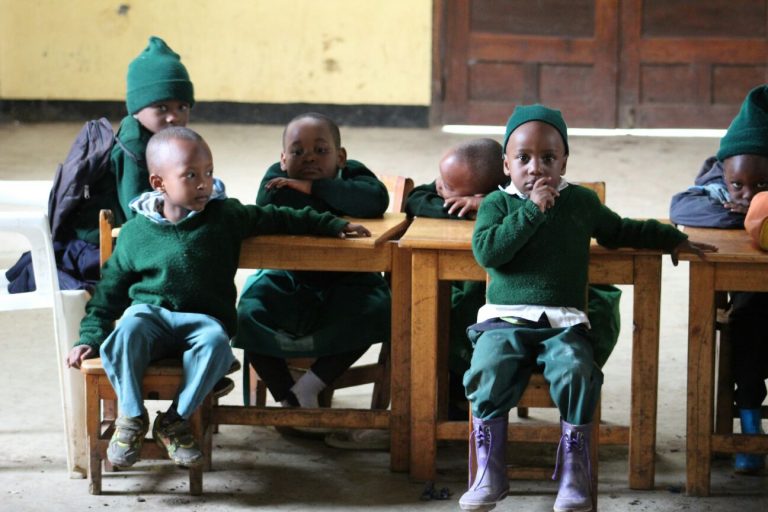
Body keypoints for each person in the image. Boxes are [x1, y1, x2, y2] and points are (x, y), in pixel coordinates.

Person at [461, 104, 716, 512]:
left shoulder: (580, 202)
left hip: (563, 323)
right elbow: (490, 253)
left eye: (548, 158)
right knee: (487, 370)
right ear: (506, 165)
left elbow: (620, 230)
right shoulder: (498, 204)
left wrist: (670, 238)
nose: (536, 168)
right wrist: (531, 211)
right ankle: (490, 473)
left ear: (564, 161)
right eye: (523, 158)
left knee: (578, 371)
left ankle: (573, 475)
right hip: (504, 322)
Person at [65, 126, 369, 469]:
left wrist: (332, 225)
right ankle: (132, 417)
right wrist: (90, 336)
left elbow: (279, 217)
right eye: (190, 175)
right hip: (151, 318)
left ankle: (175, 419)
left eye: (208, 173)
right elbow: (109, 295)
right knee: (127, 329)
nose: (203, 183)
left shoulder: (225, 216)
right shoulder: (136, 232)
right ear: (158, 183)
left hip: (202, 322)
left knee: (217, 344)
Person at [5, 35, 194, 294]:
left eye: (182, 107)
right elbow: (138, 210)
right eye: (162, 107)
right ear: (137, 109)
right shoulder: (135, 147)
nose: (174, 117)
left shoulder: (158, 138)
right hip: (96, 244)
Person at [234, 112, 391, 411]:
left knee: (379, 310)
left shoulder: (355, 173)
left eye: (321, 151)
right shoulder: (274, 179)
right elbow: (270, 205)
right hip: (287, 277)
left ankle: (310, 386)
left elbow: (374, 201)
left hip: (349, 279)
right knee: (247, 315)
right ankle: (288, 396)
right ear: (283, 159)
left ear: (341, 157)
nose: (308, 159)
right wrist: (334, 203)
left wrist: (312, 188)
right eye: (297, 152)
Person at [670, 84, 768, 475]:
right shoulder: (724, 168)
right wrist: (753, 214)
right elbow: (682, 206)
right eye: (738, 186)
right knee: (748, 321)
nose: (745, 192)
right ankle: (748, 427)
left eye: (760, 184)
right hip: (754, 300)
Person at [405, 138, 507, 419]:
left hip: (496, 293)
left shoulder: (514, 206)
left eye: (448, 187)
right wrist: (458, 210)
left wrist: (487, 208)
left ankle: (462, 398)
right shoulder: (441, 190)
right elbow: (416, 198)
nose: (438, 186)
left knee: (462, 312)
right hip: (454, 279)